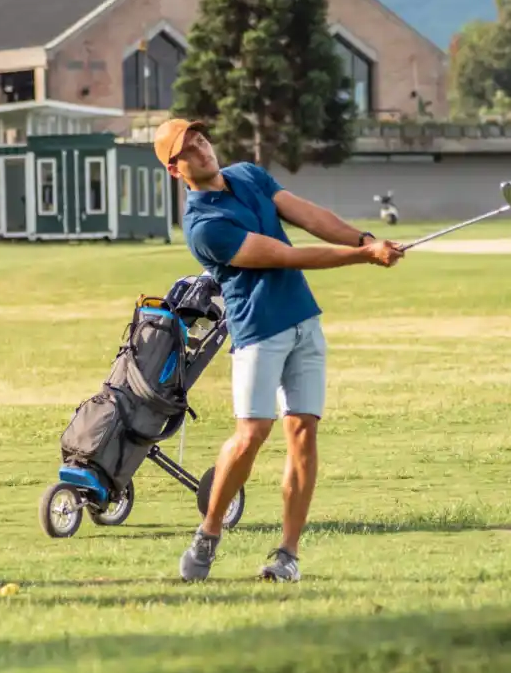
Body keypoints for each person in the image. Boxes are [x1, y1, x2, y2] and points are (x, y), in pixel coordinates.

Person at [154, 118, 404, 583]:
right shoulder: (203, 226)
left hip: (303, 321)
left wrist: (363, 240)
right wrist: (364, 258)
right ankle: (209, 532)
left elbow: (308, 215)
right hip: (258, 332)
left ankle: (287, 554)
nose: (203, 150)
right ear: (175, 169)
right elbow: (285, 255)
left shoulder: (249, 174)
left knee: (303, 433)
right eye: (189, 150)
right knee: (251, 435)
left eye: (202, 140)